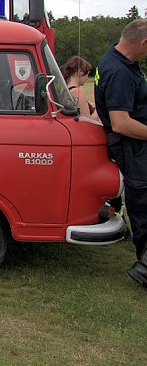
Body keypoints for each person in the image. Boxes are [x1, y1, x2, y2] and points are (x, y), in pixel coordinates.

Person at [94, 18, 147, 287]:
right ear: (143, 42)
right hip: (134, 148)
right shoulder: (120, 72)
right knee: (143, 205)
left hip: (134, 146)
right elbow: (120, 122)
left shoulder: (114, 62)